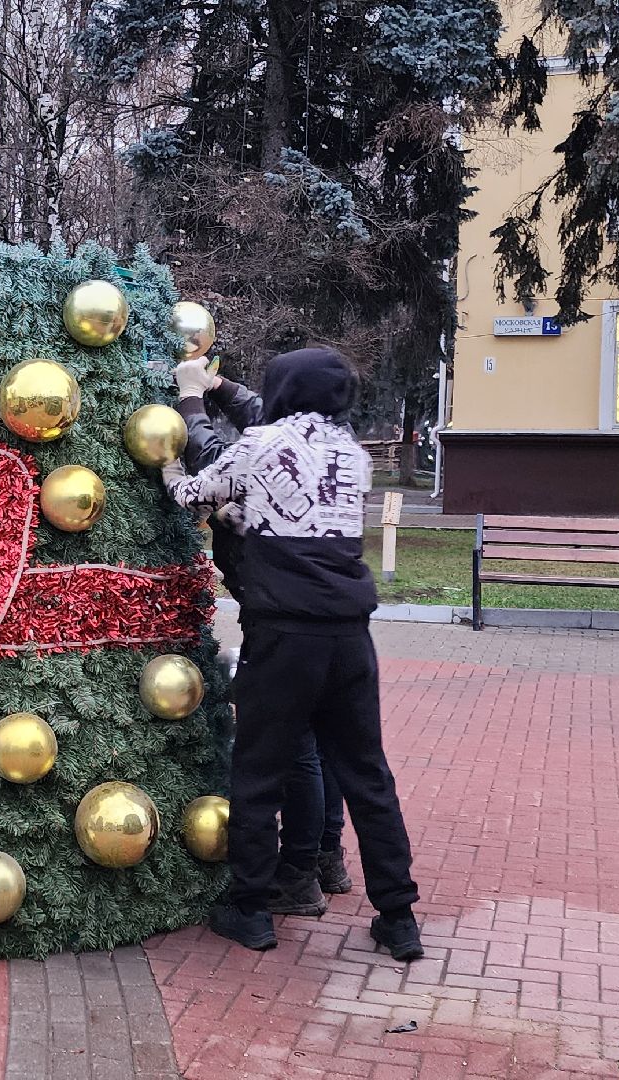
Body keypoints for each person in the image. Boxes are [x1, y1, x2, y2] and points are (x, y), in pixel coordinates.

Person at [163, 347, 423, 960]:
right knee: (367, 775)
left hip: (282, 638)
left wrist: (182, 428)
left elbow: (199, 482)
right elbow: (282, 464)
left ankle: (251, 909)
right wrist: (224, 386)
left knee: (259, 771)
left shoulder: (260, 445)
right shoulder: (350, 451)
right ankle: (398, 916)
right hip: (350, 639)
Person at [174, 359, 353, 915]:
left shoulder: (267, 449)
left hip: (281, 619)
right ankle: (326, 856)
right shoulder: (333, 437)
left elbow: (207, 458)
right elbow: (262, 415)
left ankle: (295, 876)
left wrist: (190, 401)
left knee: (294, 751)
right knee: (320, 746)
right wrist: (220, 385)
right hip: (334, 622)